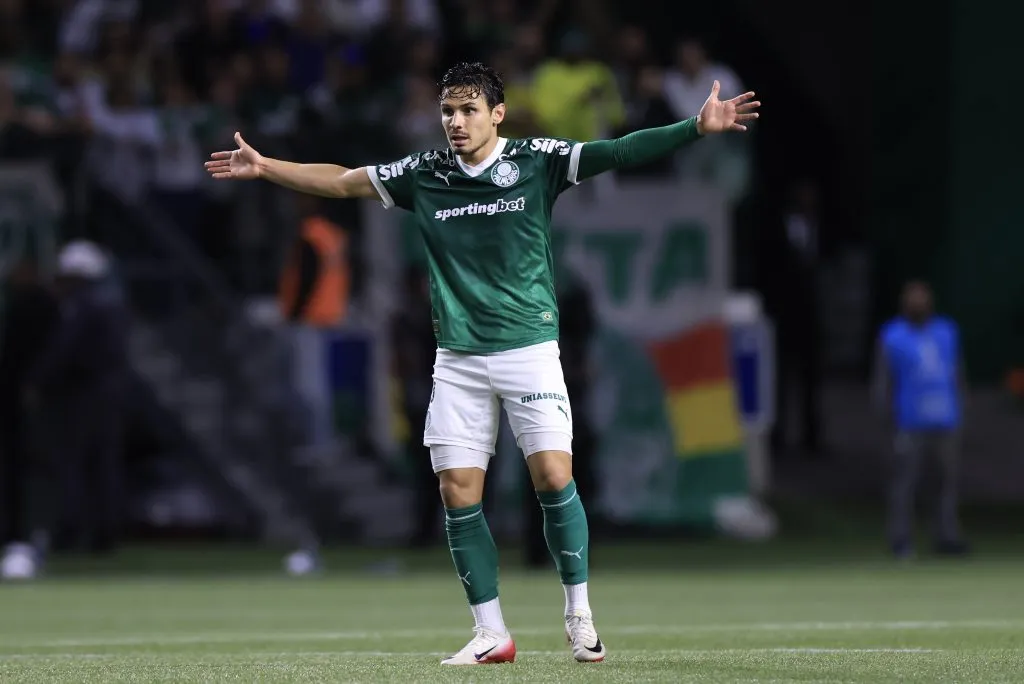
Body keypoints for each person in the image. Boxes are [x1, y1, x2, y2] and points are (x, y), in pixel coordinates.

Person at [205, 61, 759, 665]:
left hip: (529, 350)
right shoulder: (425, 174)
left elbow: (619, 151)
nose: (456, 122)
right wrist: (265, 168)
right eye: (448, 111)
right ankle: (492, 632)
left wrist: (694, 130)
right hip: (458, 359)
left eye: (469, 110)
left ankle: (580, 614)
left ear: (496, 113)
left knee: (553, 477)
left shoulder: (536, 161)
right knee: (457, 491)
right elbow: (342, 181)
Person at [25, 241, 130, 554]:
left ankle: (72, 528)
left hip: (82, 393)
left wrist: (36, 380)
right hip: (110, 392)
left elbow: (64, 350)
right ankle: (105, 532)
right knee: (104, 463)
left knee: (72, 463)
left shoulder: (83, 306)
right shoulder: (115, 302)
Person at [874, 281, 968, 559]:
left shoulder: (946, 332)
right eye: (913, 300)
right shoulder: (893, 336)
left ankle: (947, 537)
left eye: (923, 299)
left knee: (946, 483)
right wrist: (886, 420)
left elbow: (957, 373)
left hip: (945, 418)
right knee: (905, 484)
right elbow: (883, 382)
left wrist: (962, 410)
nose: (918, 305)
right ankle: (901, 540)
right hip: (909, 421)